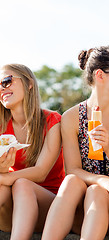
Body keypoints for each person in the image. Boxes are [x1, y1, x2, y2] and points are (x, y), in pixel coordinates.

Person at [42, 46, 109, 240]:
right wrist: (102, 180)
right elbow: (73, 170)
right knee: (73, 182)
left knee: (97, 192)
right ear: (100, 75)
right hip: (85, 208)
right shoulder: (72, 117)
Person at [0, 64, 65, 239]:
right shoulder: (1, 127)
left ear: (29, 83)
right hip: (12, 209)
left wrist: (4, 177)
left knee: (21, 184)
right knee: (4, 189)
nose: (2, 89)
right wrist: (3, 172)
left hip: (50, 206)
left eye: (6, 81)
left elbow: (41, 173)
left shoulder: (52, 120)